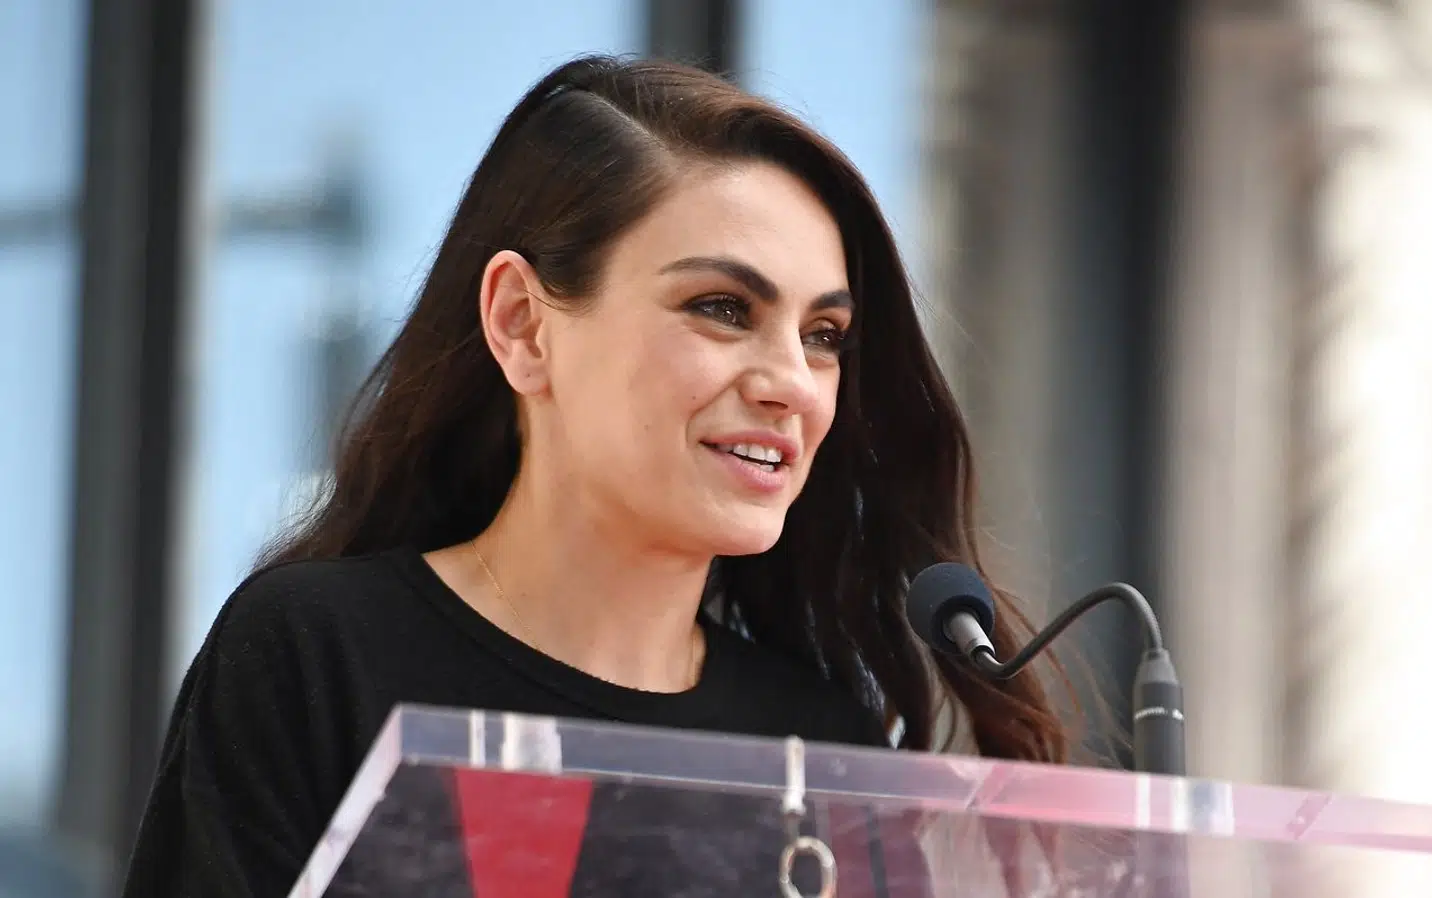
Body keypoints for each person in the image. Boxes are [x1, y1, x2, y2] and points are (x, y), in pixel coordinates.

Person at [120, 55, 1069, 897]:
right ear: (524, 326)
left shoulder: (819, 743)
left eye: (824, 336)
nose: (793, 385)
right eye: (722, 308)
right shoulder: (315, 652)